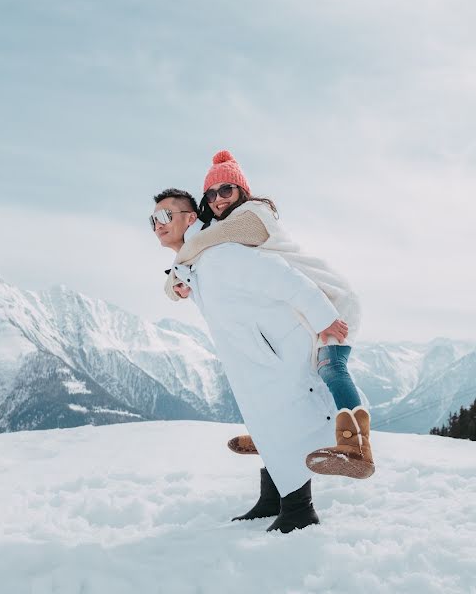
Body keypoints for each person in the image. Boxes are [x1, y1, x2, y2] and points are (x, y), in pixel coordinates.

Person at [152, 187, 355, 533]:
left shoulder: (219, 254)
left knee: (284, 423)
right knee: (266, 424)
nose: (157, 224)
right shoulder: (198, 261)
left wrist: (324, 317)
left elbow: (283, 278)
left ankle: (299, 509)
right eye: (153, 219)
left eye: (165, 216)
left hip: (276, 352)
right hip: (255, 357)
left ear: (190, 218)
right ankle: (274, 498)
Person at [163, 151, 374, 480]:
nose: (218, 199)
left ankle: (357, 447)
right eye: (211, 194)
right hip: (305, 305)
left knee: (330, 368)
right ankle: (277, 437)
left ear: (242, 192)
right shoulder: (225, 228)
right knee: (286, 378)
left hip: (331, 302)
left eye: (226, 190)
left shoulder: (254, 216)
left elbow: (210, 240)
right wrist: (176, 280)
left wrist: (181, 262)